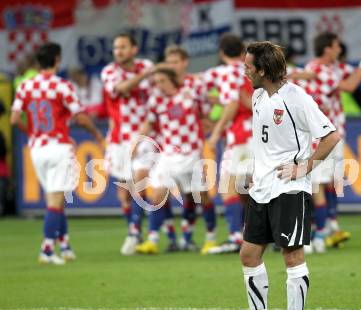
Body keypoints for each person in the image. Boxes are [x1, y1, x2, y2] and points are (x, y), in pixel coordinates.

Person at [224, 41, 340, 310]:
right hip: (262, 188)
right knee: (249, 255)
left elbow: (330, 135)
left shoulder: (297, 98)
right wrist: (254, 171)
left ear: (263, 69)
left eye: (249, 66)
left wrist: (305, 168)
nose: (244, 70)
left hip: (289, 188)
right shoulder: (259, 96)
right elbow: (266, 144)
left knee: (292, 256)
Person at [10, 42, 104, 265]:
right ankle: (47, 250)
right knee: (55, 200)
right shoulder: (62, 86)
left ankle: (65, 245)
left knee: (56, 199)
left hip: (36, 149)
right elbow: (80, 117)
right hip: (58, 147)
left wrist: (32, 133)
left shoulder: (25, 86)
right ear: (57, 60)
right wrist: (97, 136)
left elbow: (14, 120)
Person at [298, 32, 361, 253]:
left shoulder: (334, 67)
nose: (340, 49)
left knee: (330, 181)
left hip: (335, 132)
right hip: (318, 135)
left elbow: (353, 74)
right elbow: (350, 85)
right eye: (336, 46)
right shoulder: (318, 69)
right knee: (315, 183)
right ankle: (317, 234)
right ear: (327, 48)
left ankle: (329, 227)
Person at [101, 32, 174, 255]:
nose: (118, 51)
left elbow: (161, 90)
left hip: (146, 135)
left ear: (134, 49)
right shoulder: (110, 71)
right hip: (120, 139)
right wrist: (146, 74)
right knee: (125, 192)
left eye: (123, 47)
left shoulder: (146, 66)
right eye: (116, 48)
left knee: (141, 182)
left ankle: (135, 233)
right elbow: (121, 89)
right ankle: (163, 232)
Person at [135, 67, 215, 254]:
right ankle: (152, 240)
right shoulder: (156, 101)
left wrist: (210, 130)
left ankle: (210, 238)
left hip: (191, 154)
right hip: (168, 154)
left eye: (162, 81)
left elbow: (206, 116)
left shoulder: (189, 95)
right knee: (157, 196)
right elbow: (150, 123)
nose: (159, 85)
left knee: (201, 197)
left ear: (172, 80)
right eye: (156, 82)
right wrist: (138, 143)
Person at [204, 33, 254, 254]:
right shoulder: (250, 69)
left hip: (240, 137)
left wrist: (216, 132)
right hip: (258, 134)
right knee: (253, 189)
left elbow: (232, 103)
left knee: (228, 186)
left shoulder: (225, 72)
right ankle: (268, 234)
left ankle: (236, 237)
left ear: (221, 53)